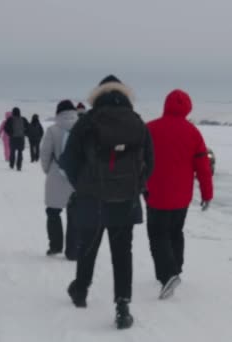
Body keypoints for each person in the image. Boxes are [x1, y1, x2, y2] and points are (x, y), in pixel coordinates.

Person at [60, 75, 153, 329]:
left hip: (92, 198)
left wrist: (82, 185)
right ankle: (123, 305)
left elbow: (68, 160)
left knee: (88, 246)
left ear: (97, 95)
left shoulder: (87, 121)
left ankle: (80, 290)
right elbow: (151, 162)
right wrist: (137, 185)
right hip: (126, 199)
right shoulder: (137, 122)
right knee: (122, 253)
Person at [145, 89, 214, 299]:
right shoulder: (193, 132)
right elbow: (203, 167)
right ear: (188, 108)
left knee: (158, 234)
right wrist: (206, 194)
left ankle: (168, 275)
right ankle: (175, 268)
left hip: (155, 193)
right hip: (182, 196)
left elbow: (138, 161)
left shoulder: (150, 129)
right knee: (175, 231)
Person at [40, 101, 79, 260]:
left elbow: (45, 154)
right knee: (75, 214)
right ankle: (73, 250)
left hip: (56, 175)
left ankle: (55, 246)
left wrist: (49, 171)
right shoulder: (82, 128)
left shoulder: (52, 130)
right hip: (77, 177)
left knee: (53, 212)